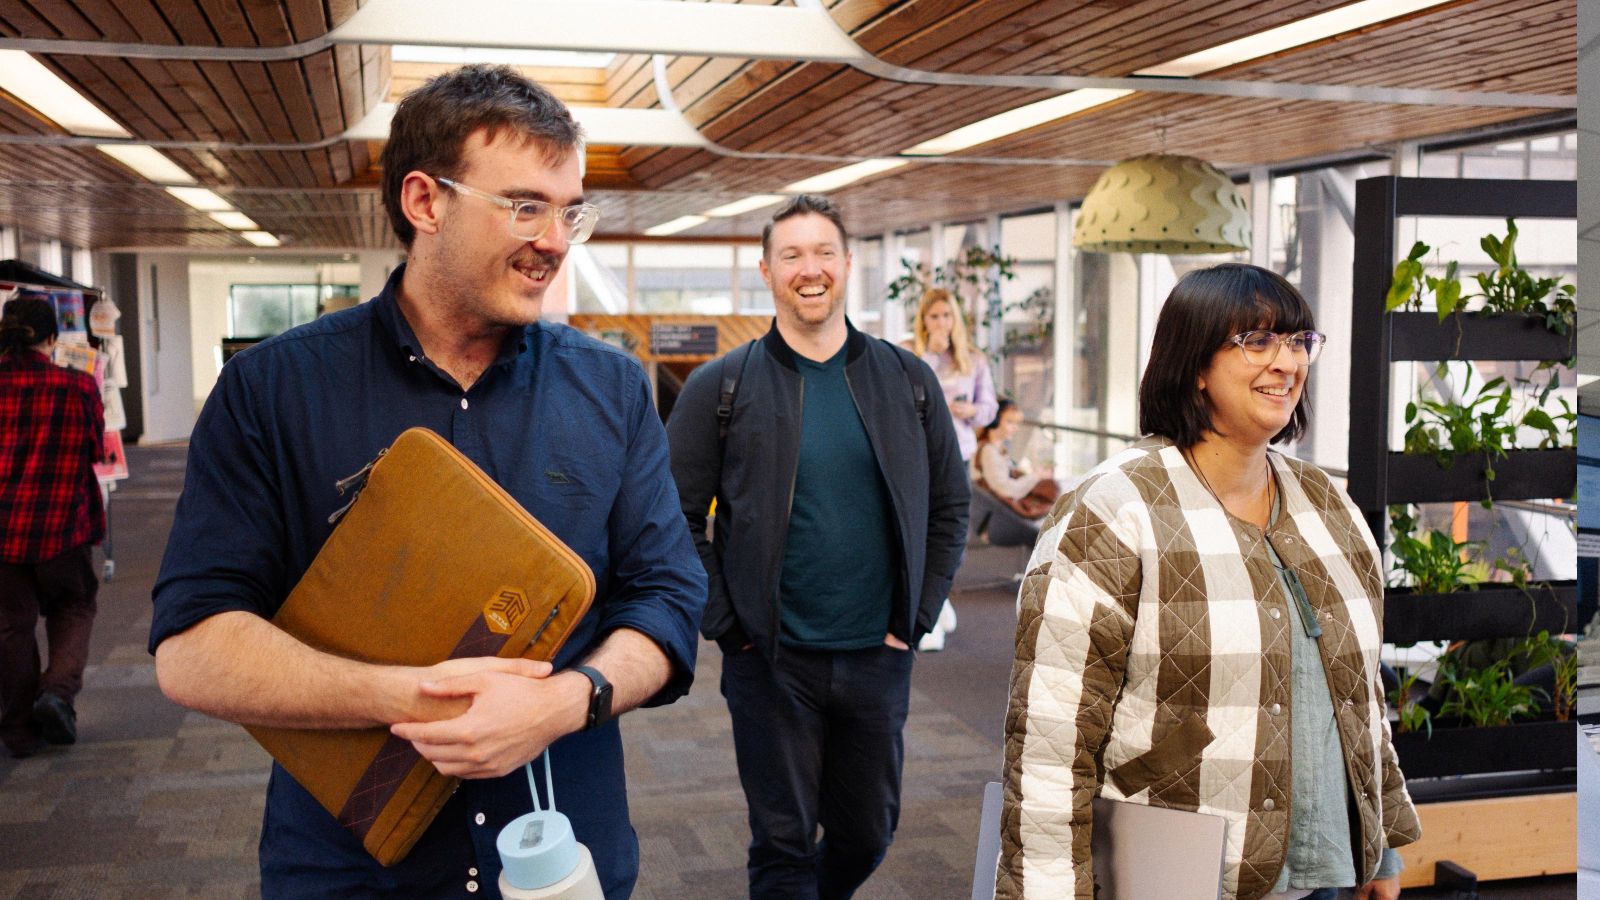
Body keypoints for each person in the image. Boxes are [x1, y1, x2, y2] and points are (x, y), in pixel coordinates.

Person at [149, 65, 706, 899]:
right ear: (425, 201)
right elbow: (193, 648)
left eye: (569, 211)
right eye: (525, 206)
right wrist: (411, 698)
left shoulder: (612, 389)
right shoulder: (273, 390)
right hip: (351, 870)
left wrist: (564, 703)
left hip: (559, 857)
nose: (556, 241)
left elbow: (667, 598)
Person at [995, 264, 1418, 900]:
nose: (1286, 362)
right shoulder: (1114, 510)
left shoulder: (1327, 504)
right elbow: (1051, 741)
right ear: (1195, 364)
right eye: (1258, 341)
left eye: (1298, 341)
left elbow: (1359, 697)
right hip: (1175, 870)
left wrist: (1380, 849)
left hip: (1321, 876)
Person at [666, 194, 969, 899]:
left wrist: (914, 620)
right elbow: (673, 518)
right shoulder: (720, 386)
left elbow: (950, 507)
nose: (811, 269)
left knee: (867, 834)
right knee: (783, 844)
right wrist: (730, 628)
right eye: (793, 255)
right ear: (767, 271)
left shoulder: (908, 381)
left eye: (824, 253)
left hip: (877, 654)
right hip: (770, 662)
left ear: (848, 264)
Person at [0, 297, 105, 759]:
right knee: (73, 606)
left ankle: (19, 730)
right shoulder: (77, 386)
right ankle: (56, 693)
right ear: (52, 337)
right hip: (63, 525)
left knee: (11, 627)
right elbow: (95, 449)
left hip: (3, 531)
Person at [905, 287, 996, 650]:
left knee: (952, 529)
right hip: (918, 452)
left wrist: (970, 410)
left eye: (947, 315)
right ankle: (932, 601)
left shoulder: (973, 359)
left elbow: (988, 409)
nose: (941, 322)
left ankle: (938, 595)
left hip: (958, 452)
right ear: (923, 320)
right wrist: (930, 352)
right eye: (934, 316)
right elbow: (903, 395)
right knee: (919, 526)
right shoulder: (912, 353)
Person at [971, 399, 1059, 520]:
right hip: (998, 517)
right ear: (994, 421)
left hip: (995, 514)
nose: (1015, 428)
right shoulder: (988, 451)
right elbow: (1006, 489)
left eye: (1016, 423)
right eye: (1010, 422)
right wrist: (1036, 476)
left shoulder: (994, 449)